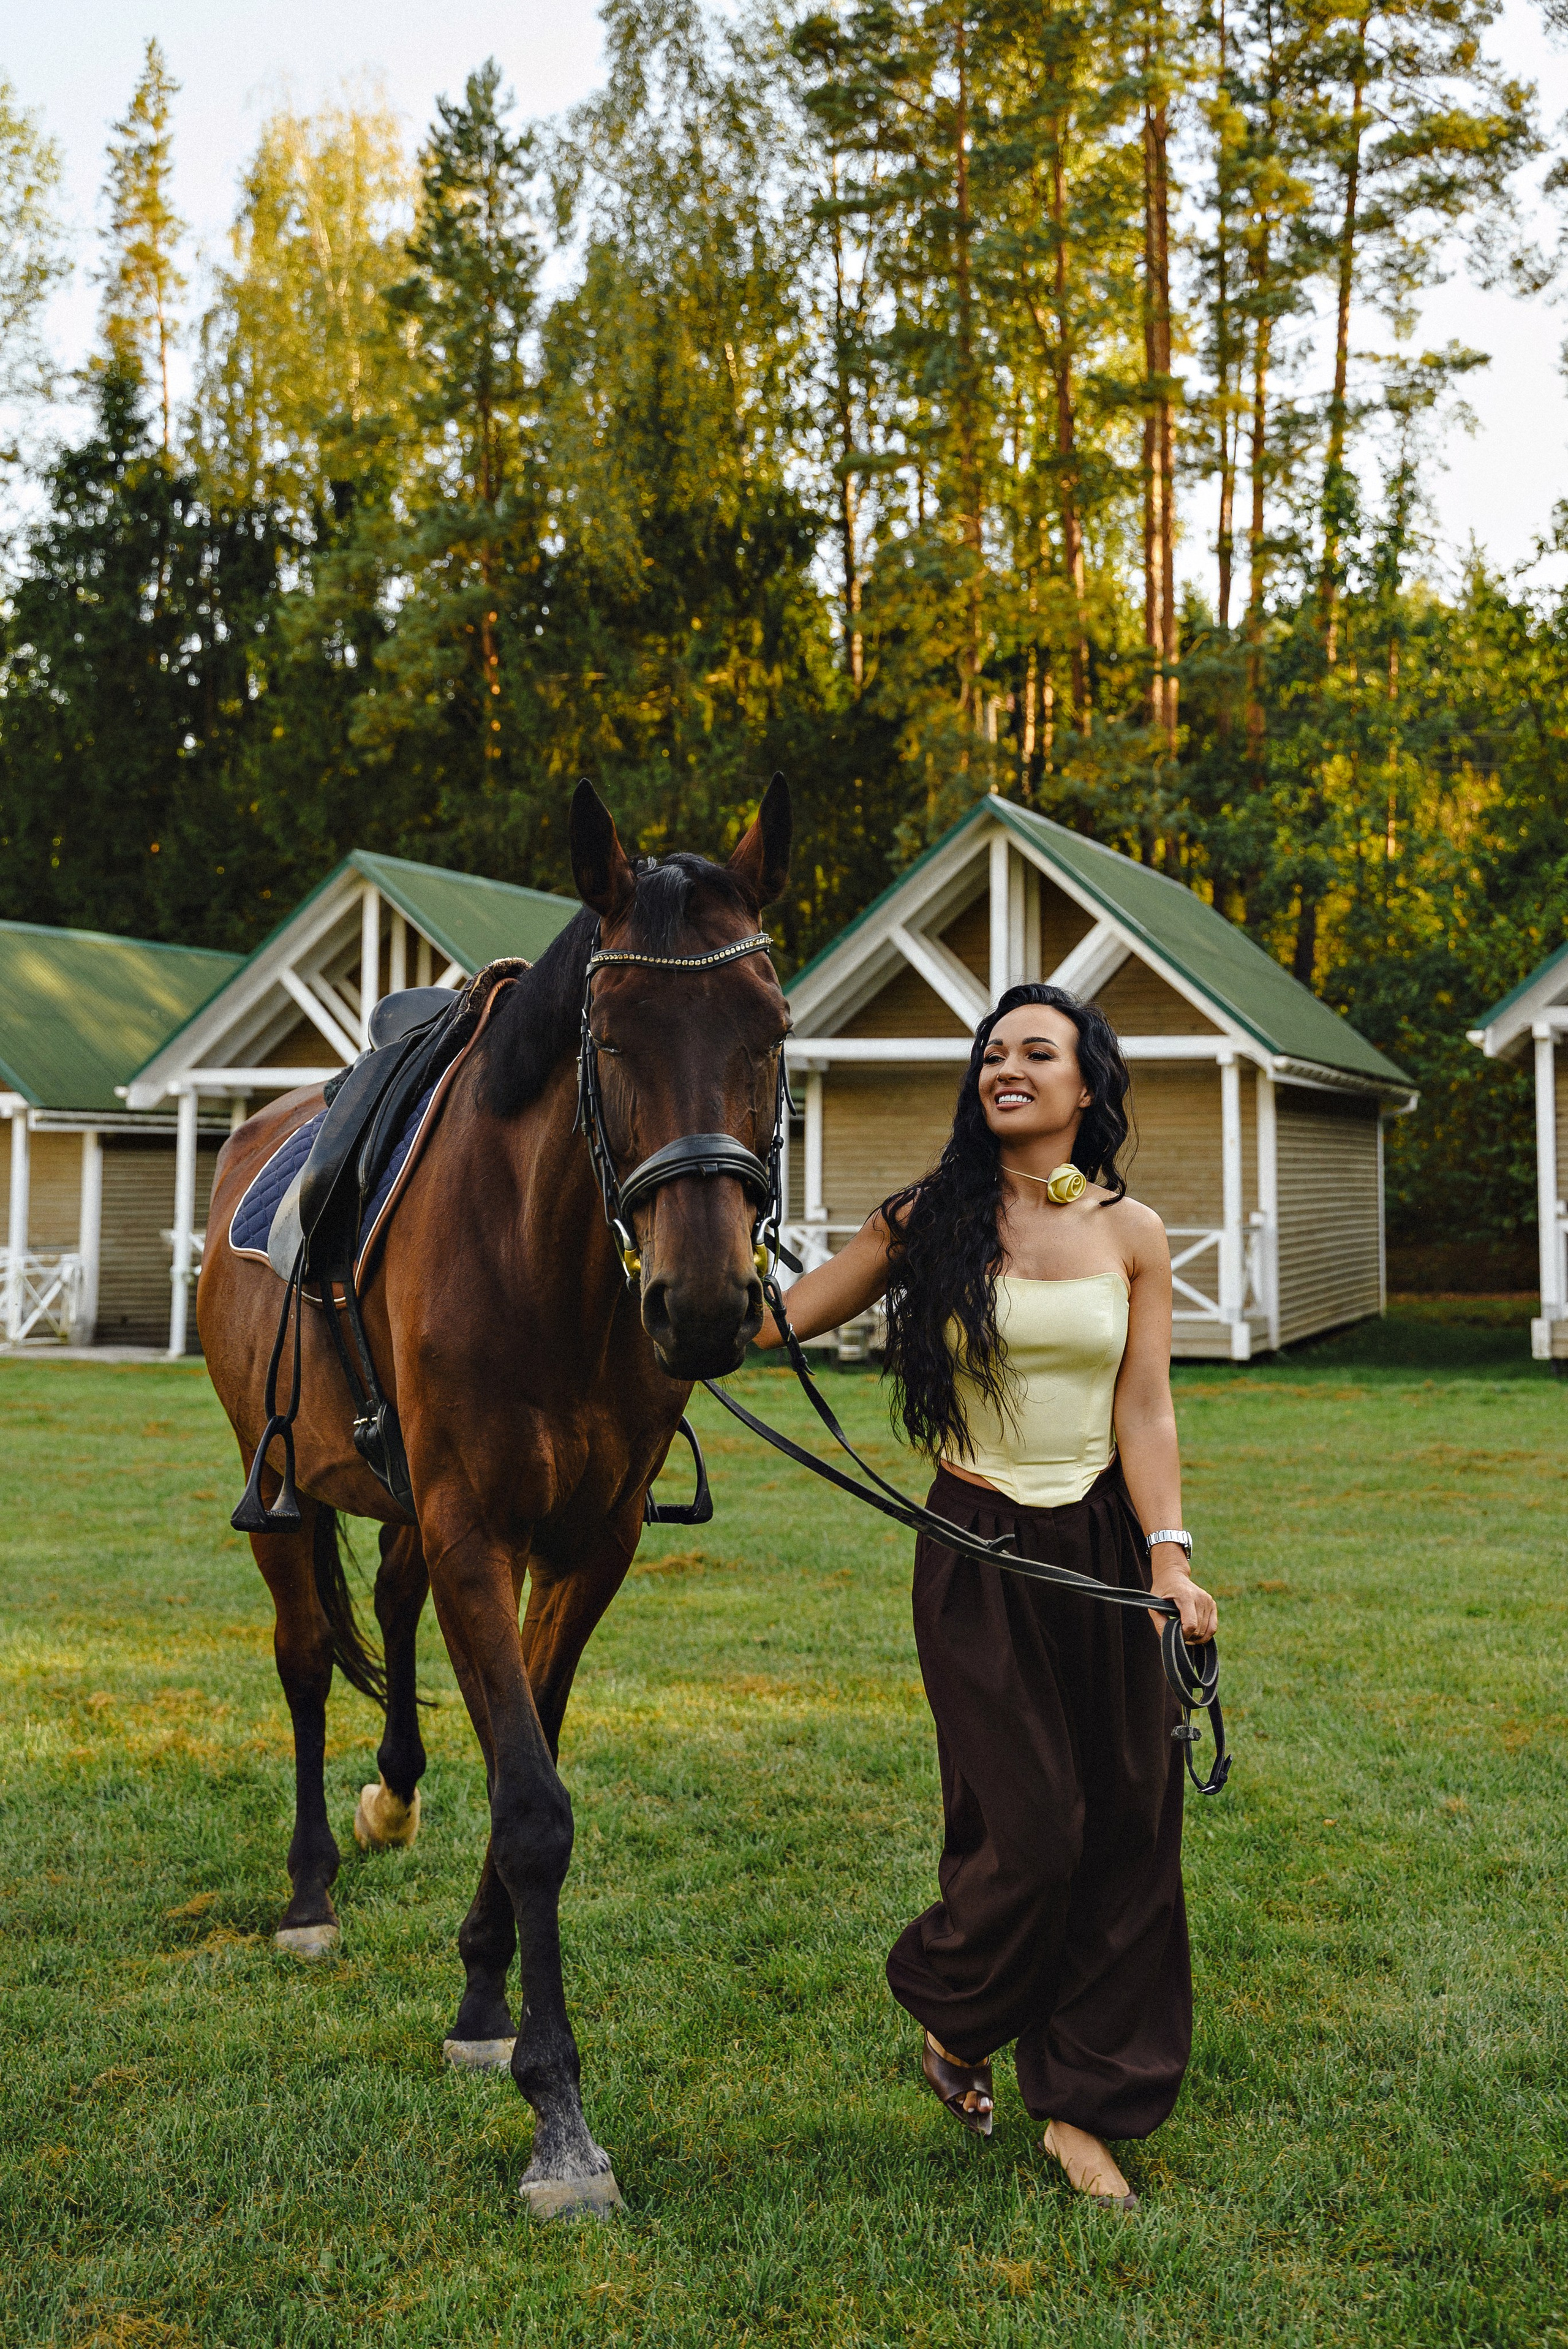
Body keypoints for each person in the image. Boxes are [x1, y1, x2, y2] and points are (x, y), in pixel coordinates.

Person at [755, 982, 1217, 2212]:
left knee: (1126, 1824)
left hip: (1103, 1552)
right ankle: (955, 2016)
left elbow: (1144, 1406)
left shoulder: (1132, 1233)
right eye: (991, 1052)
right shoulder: (924, 1218)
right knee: (1031, 1827)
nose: (1006, 1066)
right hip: (974, 1547)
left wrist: (1168, 1557)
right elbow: (774, 1323)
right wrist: (684, 1239)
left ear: (1083, 1086)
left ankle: (1078, 2102)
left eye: (1036, 1051)